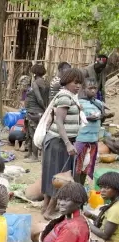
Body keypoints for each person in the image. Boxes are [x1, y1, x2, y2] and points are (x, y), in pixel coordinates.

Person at [41, 68, 85, 220]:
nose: (78, 86)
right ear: (66, 81)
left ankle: (45, 207)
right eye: (75, 82)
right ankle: (49, 211)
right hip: (59, 142)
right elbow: (59, 122)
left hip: (58, 141)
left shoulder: (70, 96)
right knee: (62, 177)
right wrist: (68, 144)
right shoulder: (65, 97)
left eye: (80, 83)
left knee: (52, 175)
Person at [85, 173, 119, 242]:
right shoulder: (115, 203)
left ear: (116, 189)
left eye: (107, 188)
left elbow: (105, 235)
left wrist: (87, 223)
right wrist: (91, 216)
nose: (102, 191)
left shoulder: (115, 209)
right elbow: (107, 222)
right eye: (101, 187)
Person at [74, 78, 102, 185]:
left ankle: (80, 186)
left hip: (93, 140)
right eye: (90, 88)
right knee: (77, 166)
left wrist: (102, 116)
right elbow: (76, 118)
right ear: (84, 89)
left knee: (87, 167)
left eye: (95, 88)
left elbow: (102, 117)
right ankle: (75, 188)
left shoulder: (99, 103)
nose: (93, 91)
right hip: (81, 140)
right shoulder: (79, 103)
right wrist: (88, 118)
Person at [25, 64, 49, 162]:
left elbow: (39, 98)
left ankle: (34, 157)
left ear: (34, 73)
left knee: (34, 134)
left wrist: (44, 108)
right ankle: (30, 153)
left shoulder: (35, 83)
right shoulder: (45, 83)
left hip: (35, 112)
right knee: (35, 133)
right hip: (38, 112)